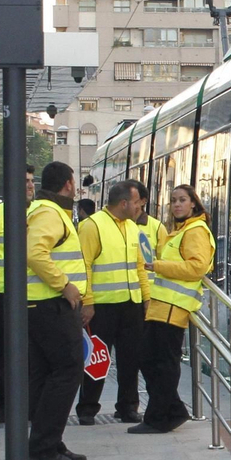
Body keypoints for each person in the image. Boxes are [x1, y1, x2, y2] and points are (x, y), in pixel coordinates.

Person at [129, 183, 215, 435]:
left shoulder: (195, 230)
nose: (177, 204)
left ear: (193, 204)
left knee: (162, 362)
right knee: (149, 359)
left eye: (182, 200)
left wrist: (158, 266)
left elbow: (197, 268)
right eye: (173, 200)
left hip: (174, 308)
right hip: (161, 306)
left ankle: (159, 417)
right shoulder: (180, 230)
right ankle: (173, 410)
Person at [24, 161, 89, 460]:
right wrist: (65, 285)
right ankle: (44, 445)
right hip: (50, 304)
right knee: (67, 370)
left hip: (40, 304)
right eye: (73, 182)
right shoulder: (49, 214)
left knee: (45, 374)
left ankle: (48, 441)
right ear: (67, 184)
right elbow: (35, 252)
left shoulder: (46, 211)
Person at [76, 181, 148, 425]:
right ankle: (87, 408)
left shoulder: (132, 227)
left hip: (131, 303)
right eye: (138, 202)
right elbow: (83, 265)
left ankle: (128, 407)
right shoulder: (92, 225)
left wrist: (146, 298)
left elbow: (139, 266)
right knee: (97, 359)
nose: (140, 206)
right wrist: (87, 301)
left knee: (131, 358)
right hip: (102, 306)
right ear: (124, 203)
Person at [0, 164, 34, 425]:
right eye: (24, 181)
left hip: (35, 295)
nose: (30, 186)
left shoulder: (39, 213)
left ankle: (32, 406)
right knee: (4, 354)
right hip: (4, 294)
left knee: (34, 354)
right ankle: (1, 406)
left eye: (32, 181)